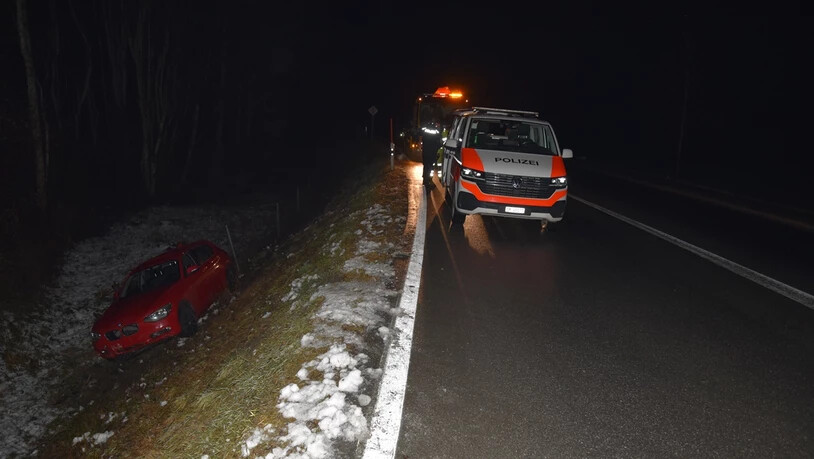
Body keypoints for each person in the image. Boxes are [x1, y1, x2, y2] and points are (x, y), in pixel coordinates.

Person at [421, 117, 442, 188]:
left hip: (425, 152)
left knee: (426, 166)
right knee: (430, 167)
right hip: (432, 152)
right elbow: (438, 143)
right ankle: (428, 181)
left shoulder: (425, 130)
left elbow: (422, 138)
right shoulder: (436, 132)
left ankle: (425, 179)